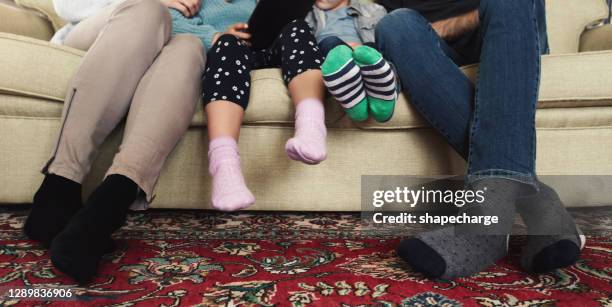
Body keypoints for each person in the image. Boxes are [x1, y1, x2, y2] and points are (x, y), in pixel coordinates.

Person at [375, 0, 584, 279]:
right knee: (394, 25)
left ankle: (486, 223)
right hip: (436, 47)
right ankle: (540, 202)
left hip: (511, 29)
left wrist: (454, 24)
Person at [23, 0, 205, 283]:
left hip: (173, 37)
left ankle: (107, 208)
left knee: (191, 48)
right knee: (148, 10)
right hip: (106, 26)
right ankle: (58, 187)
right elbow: (67, 6)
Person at [171, 0, 327, 211]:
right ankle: (225, 167)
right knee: (227, 42)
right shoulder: (195, 2)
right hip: (228, 55)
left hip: (271, 48)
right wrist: (216, 35)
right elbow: (169, 22)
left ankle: (312, 128)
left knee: (298, 28)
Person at [306, 0, 398, 123]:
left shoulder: (374, 10)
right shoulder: (311, 15)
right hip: (332, 58)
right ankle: (356, 100)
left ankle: (382, 98)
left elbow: (387, 40)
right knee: (331, 43)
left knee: (371, 51)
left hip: (365, 55)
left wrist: (358, 48)